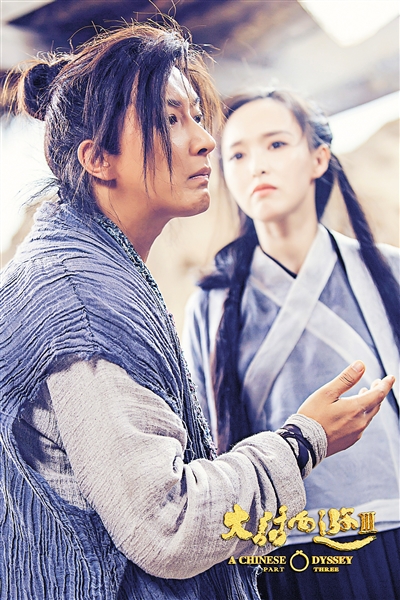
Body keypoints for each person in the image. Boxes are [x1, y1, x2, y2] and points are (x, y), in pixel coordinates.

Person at [0, 25, 394, 600]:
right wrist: (305, 440)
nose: (206, 140)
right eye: (170, 119)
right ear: (98, 158)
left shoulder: (96, 277)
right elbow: (168, 523)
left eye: (196, 116)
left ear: (320, 159)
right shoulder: (82, 304)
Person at [183, 88, 400, 599]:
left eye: (276, 144)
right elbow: (203, 443)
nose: (257, 164)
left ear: (318, 158)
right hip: (282, 553)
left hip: (390, 524)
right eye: (237, 154)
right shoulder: (210, 304)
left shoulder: (387, 271)